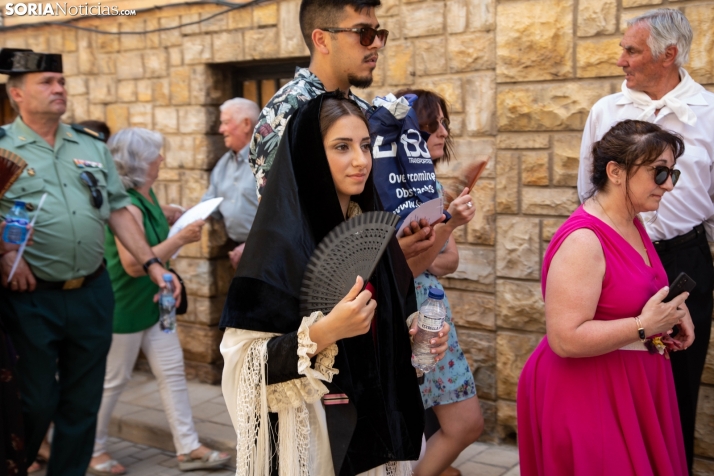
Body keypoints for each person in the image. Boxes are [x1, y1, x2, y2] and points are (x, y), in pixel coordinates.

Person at [220, 93, 450, 475]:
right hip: (315, 442)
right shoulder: (278, 245)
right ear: (311, 154)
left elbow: (391, 320)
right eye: (341, 147)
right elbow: (242, 366)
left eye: (365, 146)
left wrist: (413, 336)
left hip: (374, 436)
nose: (360, 161)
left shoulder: (373, 231)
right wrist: (323, 333)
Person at [0, 48, 179, 476]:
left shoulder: (90, 146)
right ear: (17, 93)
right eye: (47, 82)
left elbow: (117, 209)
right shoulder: (3, 148)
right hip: (32, 298)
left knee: (82, 402)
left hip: (91, 294)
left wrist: (154, 265)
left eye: (61, 81)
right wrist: (4, 251)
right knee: (37, 399)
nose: (59, 88)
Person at [576, 9, 714, 471]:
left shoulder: (711, 115)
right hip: (616, 260)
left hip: (684, 261)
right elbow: (585, 191)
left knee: (678, 387)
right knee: (615, 377)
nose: (621, 60)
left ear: (668, 55)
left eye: (631, 50)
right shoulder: (605, 112)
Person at [520, 120, 694, 475]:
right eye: (659, 173)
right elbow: (565, 339)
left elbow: (631, 292)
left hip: (631, 388)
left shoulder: (632, 221)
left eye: (672, 174)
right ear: (616, 171)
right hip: (588, 395)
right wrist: (646, 326)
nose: (669, 186)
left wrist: (673, 313)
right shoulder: (584, 241)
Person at [88, 128, 230, 475]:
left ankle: (188, 448)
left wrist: (167, 214)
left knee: (172, 374)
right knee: (113, 380)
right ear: (138, 163)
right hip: (125, 305)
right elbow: (135, 264)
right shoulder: (129, 206)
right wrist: (180, 236)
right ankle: (92, 450)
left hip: (155, 302)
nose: (162, 159)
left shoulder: (146, 198)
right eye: (156, 155)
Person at [250, 0, 436, 264]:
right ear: (322, 40)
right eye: (364, 33)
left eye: (379, 33)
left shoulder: (360, 108)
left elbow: (360, 210)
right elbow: (283, 230)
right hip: (316, 296)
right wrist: (383, 257)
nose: (376, 44)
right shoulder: (287, 111)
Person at [392, 90, 484, 476]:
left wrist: (439, 236)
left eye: (445, 122)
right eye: (433, 123)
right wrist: (449, 225)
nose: (443, 131)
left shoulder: (428, 185)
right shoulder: (393, 190)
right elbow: (400, 271)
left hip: (433, 314)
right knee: (445, 423)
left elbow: (450, 259)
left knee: (462, 423)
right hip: (408, 319)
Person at [201, 98, 260, 269]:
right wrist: (181, 215)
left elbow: (281, 214)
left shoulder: (267, 162)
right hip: (237, 252)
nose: (221, 130)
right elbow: (209, 205)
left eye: (226, 122)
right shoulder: (223, 164)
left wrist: (253, 245)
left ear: (246, 124)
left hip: (269, 250)